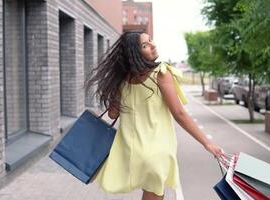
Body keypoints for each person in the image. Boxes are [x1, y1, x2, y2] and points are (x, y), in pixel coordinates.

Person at [85, 30, 223, 200]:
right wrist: (207, 143)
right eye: (145, 45)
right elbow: (179, 113)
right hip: (156, 152)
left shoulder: (123, 80)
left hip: (131, 152)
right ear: (135, 53)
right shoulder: (161, 73)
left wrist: (116, 92)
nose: (152, 45)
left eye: (150, 40)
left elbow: (113, 114)